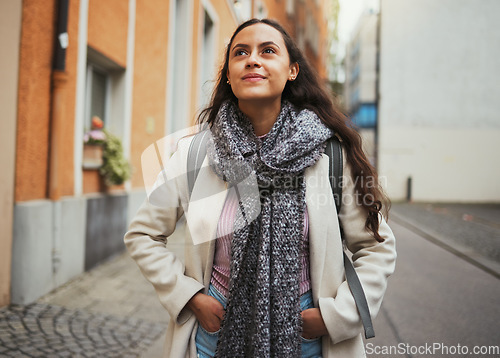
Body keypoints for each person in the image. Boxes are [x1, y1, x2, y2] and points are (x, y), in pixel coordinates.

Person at [124, 18, 396, 358]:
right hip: (212, 336)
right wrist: (190, 297)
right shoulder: (195, 154)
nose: (253, 59)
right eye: (241, 53)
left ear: (292, 70)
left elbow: (377, 248)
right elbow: (142, 235)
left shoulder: (329, 155)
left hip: (308, 337)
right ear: (228, 74)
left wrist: (334, 316)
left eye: (268, 51)